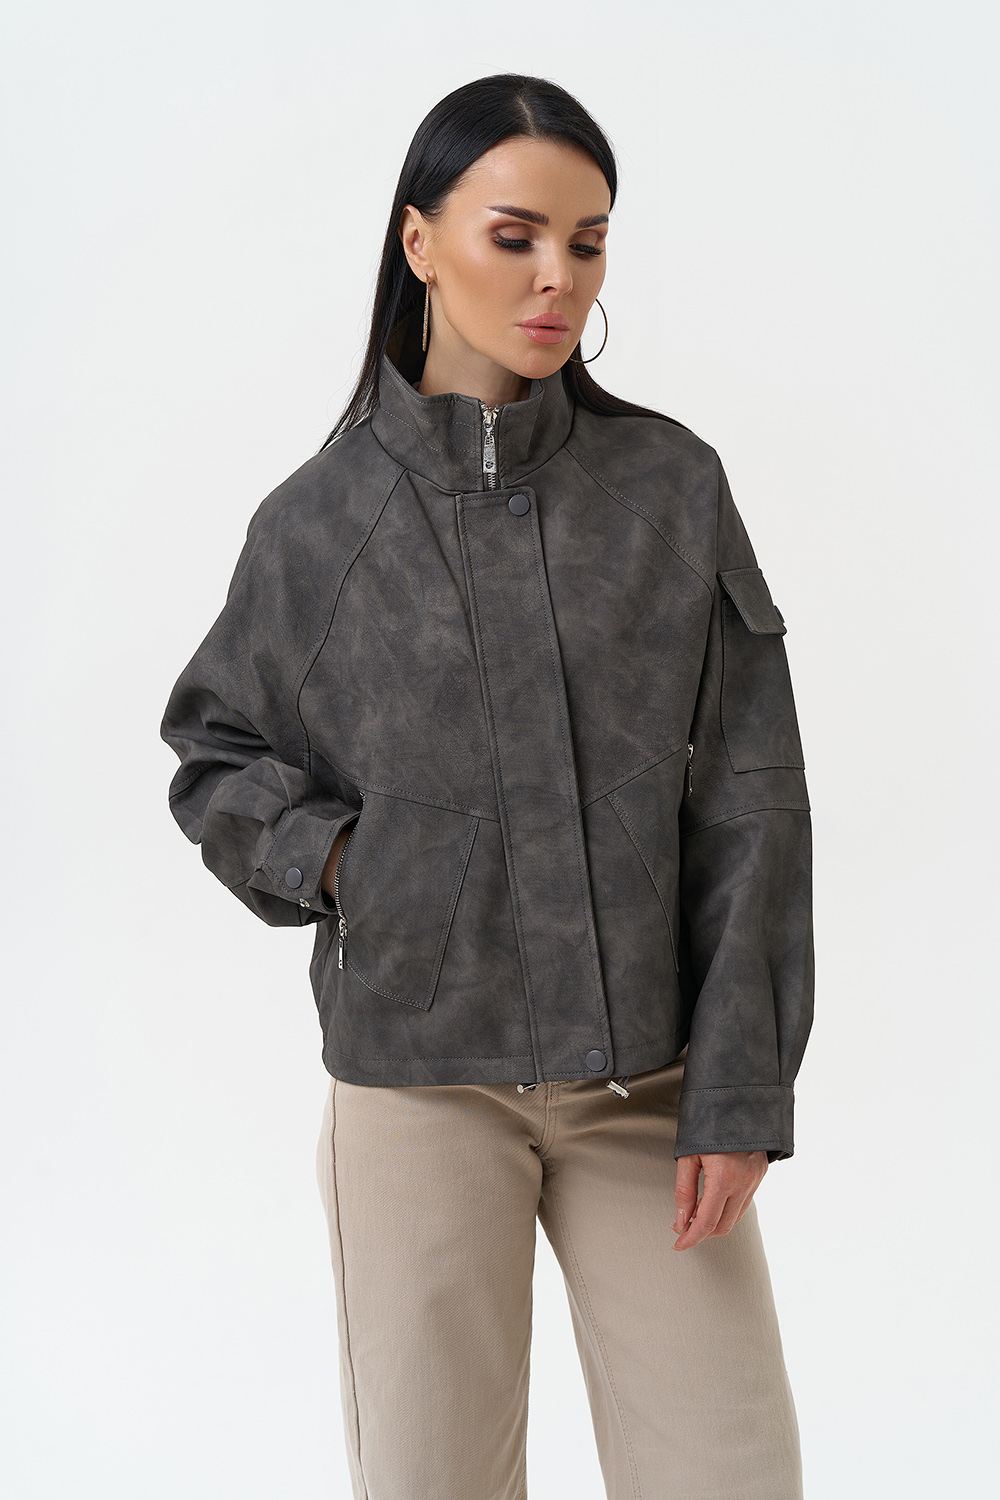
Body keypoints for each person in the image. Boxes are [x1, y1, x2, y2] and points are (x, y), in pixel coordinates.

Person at [160, 73, 814, 1500]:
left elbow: (752, 796)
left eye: (587, 241)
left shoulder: (669, 490)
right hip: (418, 1089)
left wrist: (740, 1085)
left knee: (730, 1470)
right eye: (515, 235)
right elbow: (214, 752)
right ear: (419, 241)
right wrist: (348, 863)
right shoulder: (318, 524)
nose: (556, 276)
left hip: (648, 1084)